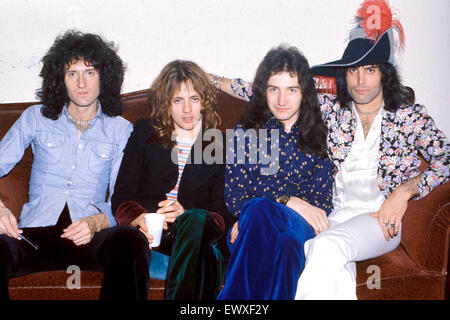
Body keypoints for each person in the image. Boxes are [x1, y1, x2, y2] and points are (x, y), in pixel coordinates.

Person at [211, 0, 449, 299]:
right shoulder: (332, 111)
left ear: (384, 73)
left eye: (370, 69)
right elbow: (271, 90)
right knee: (313, 255)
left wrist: (404, 193)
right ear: (343, 76)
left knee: (325, 247)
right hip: (334, 215)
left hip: (378, 217)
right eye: (353, 71)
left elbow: (446, 160)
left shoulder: (411, 117)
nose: (360, 80)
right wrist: (211, 80)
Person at [0, 30, 151, 300]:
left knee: (131, 242)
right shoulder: (35, 118)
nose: (82, 83)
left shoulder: (121, 130)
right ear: (61, 79)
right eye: (72, 73)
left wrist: (96, 221)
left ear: (104, 77)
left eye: (90, 72)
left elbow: (122, 196)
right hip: (34, 236)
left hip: (89, 238)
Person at [216, 45, 334, 300]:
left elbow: (321, 204)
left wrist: (261, 210)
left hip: (299, 226)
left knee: (268, 217)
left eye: (291, 90)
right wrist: (287, 200)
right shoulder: (248, 130)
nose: (282, 101)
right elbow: (236, 197)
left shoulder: (319, 133)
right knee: (285, 242)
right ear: (263, 91)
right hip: (256, 227)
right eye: (274, 89)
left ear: (304, 92)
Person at [111, 60, 234, 300]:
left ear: (205, 102)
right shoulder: (144, 132)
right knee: (123, 238)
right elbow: (122, 194)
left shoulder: (221, 144)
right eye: (177, 100)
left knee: (195, 220)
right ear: (165, 104)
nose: (187, 110)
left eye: (194, 99)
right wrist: (139, 218)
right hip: (152, 234)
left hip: (198, 232)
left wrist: (186, 213)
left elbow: (223, 213)